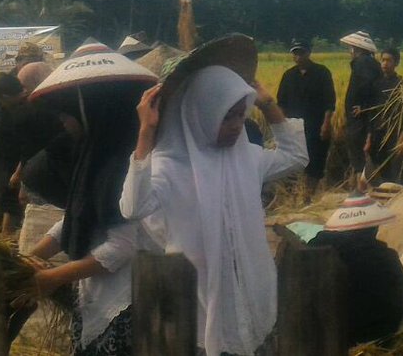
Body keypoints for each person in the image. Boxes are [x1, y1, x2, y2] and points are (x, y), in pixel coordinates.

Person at [120, 62, 309, 356]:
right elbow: (133, 207)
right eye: (226, 117)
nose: (236, 126)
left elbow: (296, 156)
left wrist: (269, 105)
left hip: (248, 288)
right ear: (201, 115)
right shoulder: (171, 166)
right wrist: (146, 132)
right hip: (196, 294)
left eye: (240, 116)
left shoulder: (246, 157)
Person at [26, 40, 161, 356]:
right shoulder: (94, 153)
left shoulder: (123, 161)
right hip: (95, 292)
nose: (62, 120)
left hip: (126, 301)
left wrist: (53, 277)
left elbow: (123, 246)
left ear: (93, 109)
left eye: (69, 112)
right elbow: (79, 214)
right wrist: (33, 256)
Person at [308, 194, 403, 345]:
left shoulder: (319, 246)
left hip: (327, 330)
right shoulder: (385, 257)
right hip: (376, 332)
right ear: (374, 228)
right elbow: (402, 291)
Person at [276, 39, 336, 197]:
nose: (297, 57)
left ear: (308, 53)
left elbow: (330, 101)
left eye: (301, 53)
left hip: (316, 125)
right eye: (295, 53)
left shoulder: (322, 72)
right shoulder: (288, 76)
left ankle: (309, 195)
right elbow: (281, 103)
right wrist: (281, 127)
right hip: (295, 127)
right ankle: (295, 195)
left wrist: (326, 124)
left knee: (315, 161)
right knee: (295, 161)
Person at [0, 73, 30, 232]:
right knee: (5, 195)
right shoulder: (3, 106)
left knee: (11, 197)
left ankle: (6, 237)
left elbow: (30, 143)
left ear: (5, 96)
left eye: (0, 100)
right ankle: (5, 233)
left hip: (19, 157)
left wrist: (18, 171)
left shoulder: (28, 107)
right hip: (1, 155)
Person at [341, 31, 381, 187]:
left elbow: (368, 86)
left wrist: (363, 107)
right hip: (362, 116)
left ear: (356, 48)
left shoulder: (362, 63)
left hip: (361, 119)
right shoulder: (368, 62)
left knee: (360, 152)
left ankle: (364, 187)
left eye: (350, 48)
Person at [368, 47, 403, 183]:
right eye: (383, 60)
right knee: (379, 165)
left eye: (389, 61)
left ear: (396, 63)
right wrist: (369, 136)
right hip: (378, 131)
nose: (385, 64)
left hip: (394, 133)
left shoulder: (402, 85)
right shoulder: (375, 85)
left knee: (395, 167)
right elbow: (371, 112)